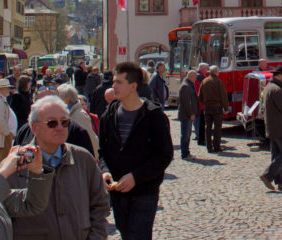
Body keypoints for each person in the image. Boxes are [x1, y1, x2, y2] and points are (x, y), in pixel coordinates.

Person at [10, 95, 109, 239]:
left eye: (65, 122)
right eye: (52, 123)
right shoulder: (15, 163)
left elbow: (100, 204)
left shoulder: (83, 158)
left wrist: (96, 236)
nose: (60, 128)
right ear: (35, 128)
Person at [98, 62, 173, 240]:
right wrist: (105, 171)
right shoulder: (108, 115)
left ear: (133, 86)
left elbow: (164, 156)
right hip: (118, 192)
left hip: (144, 191)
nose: (113, 86)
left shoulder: (154, 116)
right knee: (126, 234)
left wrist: (136, 177)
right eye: (113, 81)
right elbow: (102, 153)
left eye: (118, 82)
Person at [58, 84, 99, 157]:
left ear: (67, 99)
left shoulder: (79, 114)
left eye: (59, 97)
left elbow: (90, 137)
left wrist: (93, 157)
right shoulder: (70, 113)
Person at [198, 65, 228, 153]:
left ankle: (209, 147)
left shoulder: (204, 81)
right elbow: (224, 96)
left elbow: (199, 96)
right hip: (217, 107)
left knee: (207, 127)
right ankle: (217, 147)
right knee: (217, 128)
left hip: (207, 107)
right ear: (216, 72)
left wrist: (205, 102)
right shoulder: (219, 82)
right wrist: (225, 108)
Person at [177, 70, 199, 159]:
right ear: (191, 76)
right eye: (195, 77)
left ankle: (186, 152)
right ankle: (185, 153)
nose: (196, 79)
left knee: (187, 134)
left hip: (188, 114)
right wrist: (191, 113)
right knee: (185, 135)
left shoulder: (188, 84)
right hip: (186, 115)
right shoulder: (185, 86)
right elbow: (187, 102)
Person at [194, 63, 209, 147]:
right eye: (207, 68)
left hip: (198, 101)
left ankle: (199, 137)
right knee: (201, 122)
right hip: (201, 102)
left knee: (199, 120)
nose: (207, 70)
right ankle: (201, 138)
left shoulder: (198, 75)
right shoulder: (201, 77)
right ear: (203, 68)